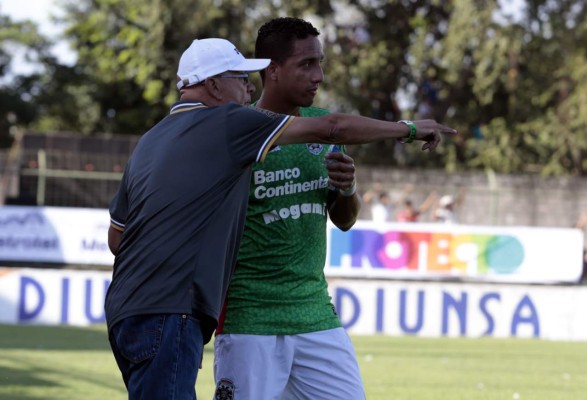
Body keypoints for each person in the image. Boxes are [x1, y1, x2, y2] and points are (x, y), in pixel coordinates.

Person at [105, 37, 456, 399]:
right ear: (211, 84)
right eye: (240, 77)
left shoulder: (149, 140)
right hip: (175, 310)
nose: (247, 86)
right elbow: (333, 127)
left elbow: (117, 239)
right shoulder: (227, 121)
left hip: (127, 312)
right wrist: (409, 128)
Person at [213, 18, 363, 399]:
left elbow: (344, 221)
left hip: (315, 314)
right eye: (307, 64)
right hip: (250, 319)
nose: (320, 75)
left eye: (320, 62)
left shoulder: (324, 129)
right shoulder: (236, 130)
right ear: (273, 70)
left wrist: (347, 189)